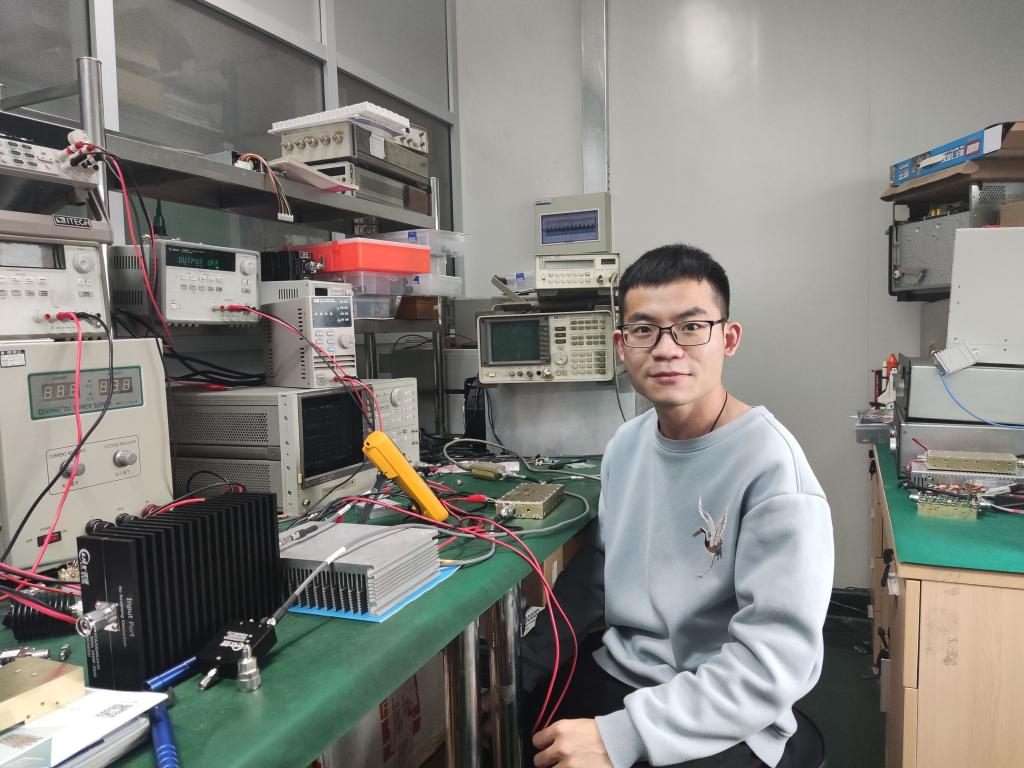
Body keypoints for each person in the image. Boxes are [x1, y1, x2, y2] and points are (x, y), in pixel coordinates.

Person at [520, 244, 834, 768]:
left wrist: (621, 737)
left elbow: (773, 664)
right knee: (522, 716)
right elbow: (598, 570)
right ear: (622, 345)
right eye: (644, 329)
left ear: (728, 339)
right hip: (625, 669)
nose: (666, 349)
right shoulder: (626, 445)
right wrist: (525, 668)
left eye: (691, 327)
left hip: (723, 702)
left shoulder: (774, 470)